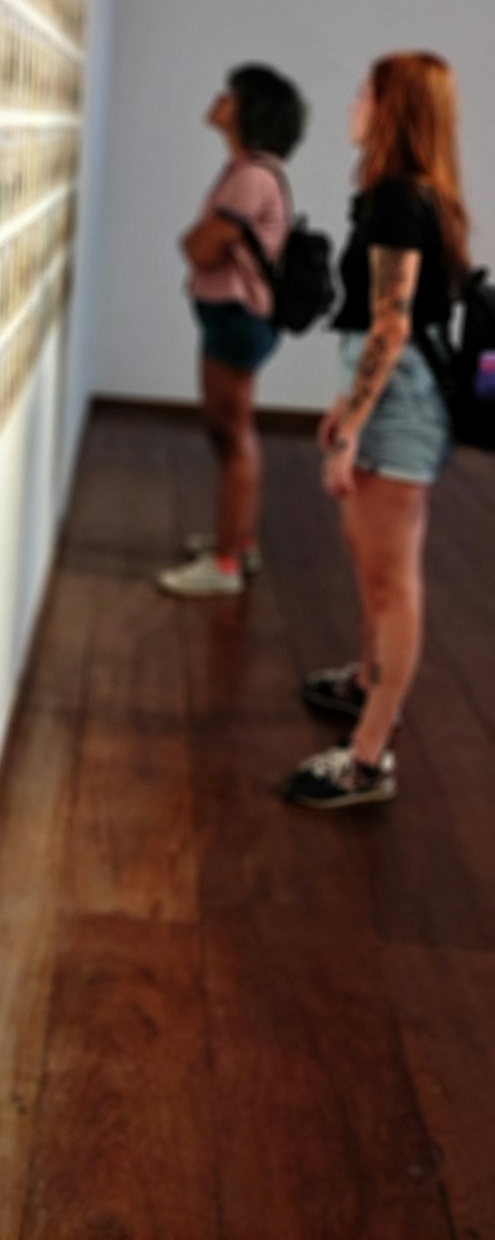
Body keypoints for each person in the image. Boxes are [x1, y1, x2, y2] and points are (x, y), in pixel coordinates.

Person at [284, 52, 469, 809]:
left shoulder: (398, 198)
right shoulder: (409, 195)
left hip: (401, 404)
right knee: (371, 563)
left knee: (391, 582)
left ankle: (369, 757)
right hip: (394, 390)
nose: (354, 102)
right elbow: (378, 329)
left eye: (366, 91)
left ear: (392, 109)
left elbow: (391, 325)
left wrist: (351, 428)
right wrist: (344, 402)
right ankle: (366, 681)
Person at [159, 65, 307, 597]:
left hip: (237, 317)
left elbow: (200, 246)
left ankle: (225, 563)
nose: (219, 100)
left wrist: (195, 239)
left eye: (231, 95)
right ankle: (237, 542)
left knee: (232, 433)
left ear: (249, 109)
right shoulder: (248, 169)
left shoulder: (251, 175)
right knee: (233, 432)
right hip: (237, 316)